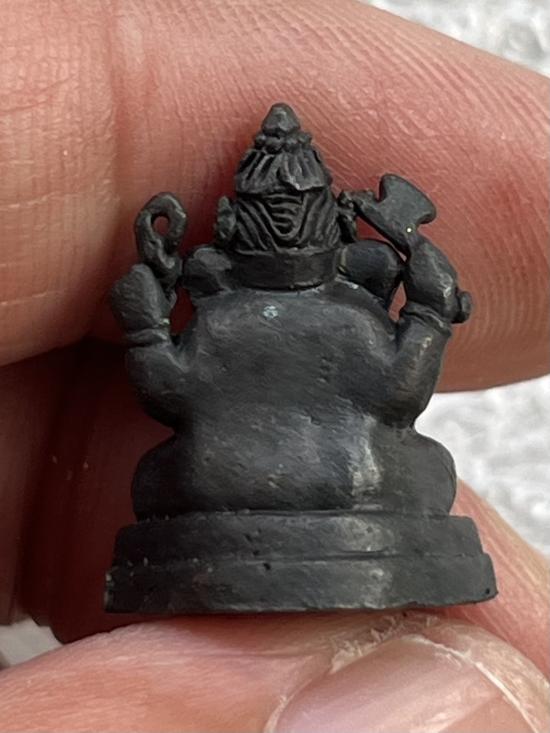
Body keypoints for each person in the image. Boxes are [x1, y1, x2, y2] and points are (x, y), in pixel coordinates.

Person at [0, 1, 548, 730]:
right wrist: (424, 297)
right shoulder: (354, 318)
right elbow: (402, 390)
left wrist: (145, 328)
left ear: (230, 227)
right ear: (336, 227)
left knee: (158, 472)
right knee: (427, 466)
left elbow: (168, 392)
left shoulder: (219, 318)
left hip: (214, 488)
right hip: (358, 485)